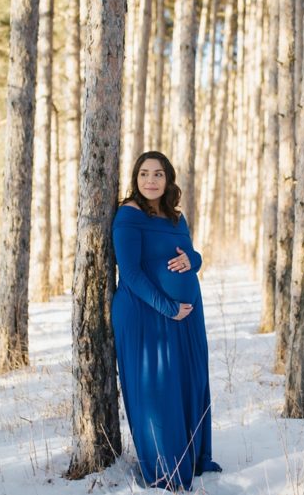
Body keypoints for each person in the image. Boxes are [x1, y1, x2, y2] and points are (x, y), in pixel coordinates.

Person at [111, 151, 221, 491]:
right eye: (144, 174)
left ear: (168, 178)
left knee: (191, 380)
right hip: (147, 315)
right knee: (157, 390)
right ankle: (165, 468)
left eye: (158, 174)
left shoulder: (175, 216)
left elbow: (194, 255)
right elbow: (129, 272)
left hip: (186, 318)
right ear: (136, 178)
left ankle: (194, 454)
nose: (151, 181)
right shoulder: (128, 216)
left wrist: (194, 259)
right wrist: (167, 306)